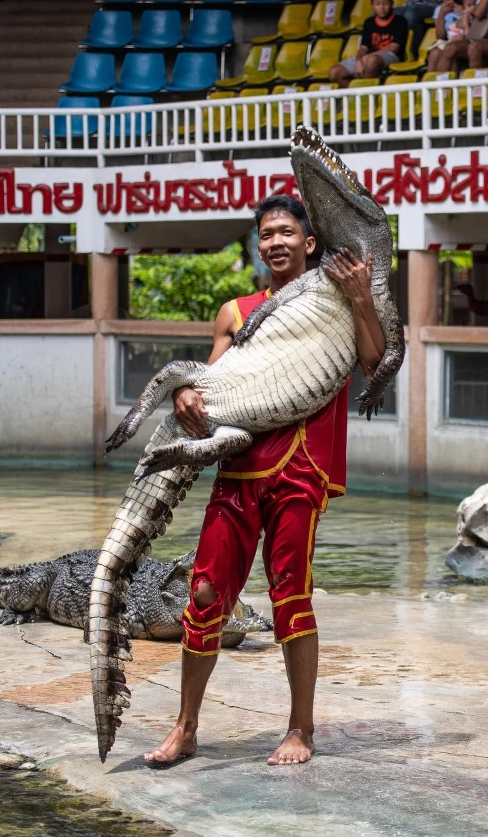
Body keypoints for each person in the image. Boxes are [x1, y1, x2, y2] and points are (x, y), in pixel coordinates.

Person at [142, 195, 388, 767]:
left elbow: (374, 366)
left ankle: (301, 729)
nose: (274, 242)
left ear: (310, 243)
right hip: (239, 463)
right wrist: (184, 395)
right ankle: (186, 727)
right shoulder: (236, 310)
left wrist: (360, 299)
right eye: (266, 234)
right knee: (203, 594)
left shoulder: (338, 299)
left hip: (300, 465)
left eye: (285, 232)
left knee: (289, 595)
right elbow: (212, 385)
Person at [329, 0, 409, 87]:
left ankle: (367, 95)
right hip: (368, 57)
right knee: (334, 72)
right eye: (378, 4)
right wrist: (359, 61)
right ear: (372, 5)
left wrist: (366, 58)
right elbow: (363, 47)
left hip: (391, 56)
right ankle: (358, 94)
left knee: (371, 60)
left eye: (386, 4)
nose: (382, 7)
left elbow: (394, 48)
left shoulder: (399, 21)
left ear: (392, 4)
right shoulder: (369, 22)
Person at [427, 0, 476, 72]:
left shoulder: (473, 6)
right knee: (434, 53)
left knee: (451, 51)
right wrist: (441, 15)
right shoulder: (441, 9)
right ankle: (429, 86)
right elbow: (440, 36)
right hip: (448, 43)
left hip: (468, 43)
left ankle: (445, 85)